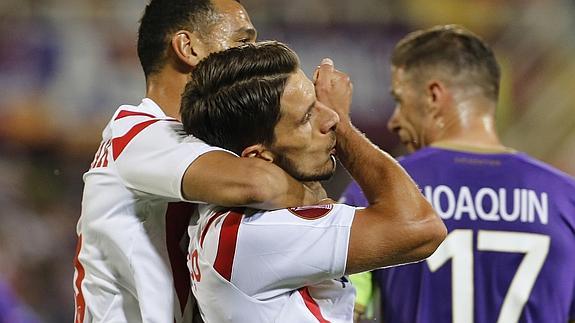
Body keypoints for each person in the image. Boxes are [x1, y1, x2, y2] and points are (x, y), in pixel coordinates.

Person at [73, 1, 325, 322]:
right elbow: (259, 185)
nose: (251, 56)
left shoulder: (206, 146)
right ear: (187, 48)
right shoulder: (136, 133)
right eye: (242, 42)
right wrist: (314, 194)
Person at [180, 41, 447, 322]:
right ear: (259, 156)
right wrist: (344, 128)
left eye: (316, 102)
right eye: (306, 117)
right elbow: (421, 228)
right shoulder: (255, 236)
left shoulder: (222, 216)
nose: (330, 117)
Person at [341, 25, 575, 323]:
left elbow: (344, 312)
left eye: (399, 100)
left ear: (434, 96)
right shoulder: (567, 200)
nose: (393, 121)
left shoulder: (376, 190)